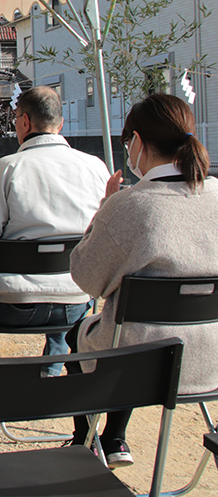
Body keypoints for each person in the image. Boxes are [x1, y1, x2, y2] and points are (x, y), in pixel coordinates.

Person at [67, 92, 218, 468]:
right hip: (211, 360)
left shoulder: (132, 204)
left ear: (136, 142)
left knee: (83, 335)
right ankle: (112, 439)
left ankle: (85, 444)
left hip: (140, 363)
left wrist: (105, 209)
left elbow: (86, 278)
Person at [0, 86, 108, 375]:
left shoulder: (6, 168)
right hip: (76, 304)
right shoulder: (96, 167)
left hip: (11, 308)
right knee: (68, 282)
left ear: (24, 122)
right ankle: (51, 368)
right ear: (60, 125)